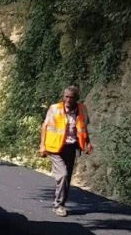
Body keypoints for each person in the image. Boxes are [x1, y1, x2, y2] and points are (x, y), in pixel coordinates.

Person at [39, 85, 93, 216]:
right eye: (66, 96)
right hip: (54, 147)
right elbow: (45, 127)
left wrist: (88, 143)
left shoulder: (82, 109)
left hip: (71, 147)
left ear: (76, 98)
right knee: (62, 174)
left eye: (71, 97)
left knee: (67, 177)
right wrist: (42, 146)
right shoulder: (55, 109)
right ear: (63, 97)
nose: (68, 99)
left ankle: (61, 203)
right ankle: (58, 205)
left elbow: (83, 127)